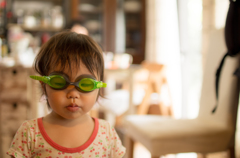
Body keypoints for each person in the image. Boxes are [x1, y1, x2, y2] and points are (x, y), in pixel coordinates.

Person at [6, 31, 126, 158]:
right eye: (59, 82)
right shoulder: (30, 133)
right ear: (44, 86)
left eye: (85, 84)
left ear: (98, 88)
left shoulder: (106, 133)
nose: (73, 94)